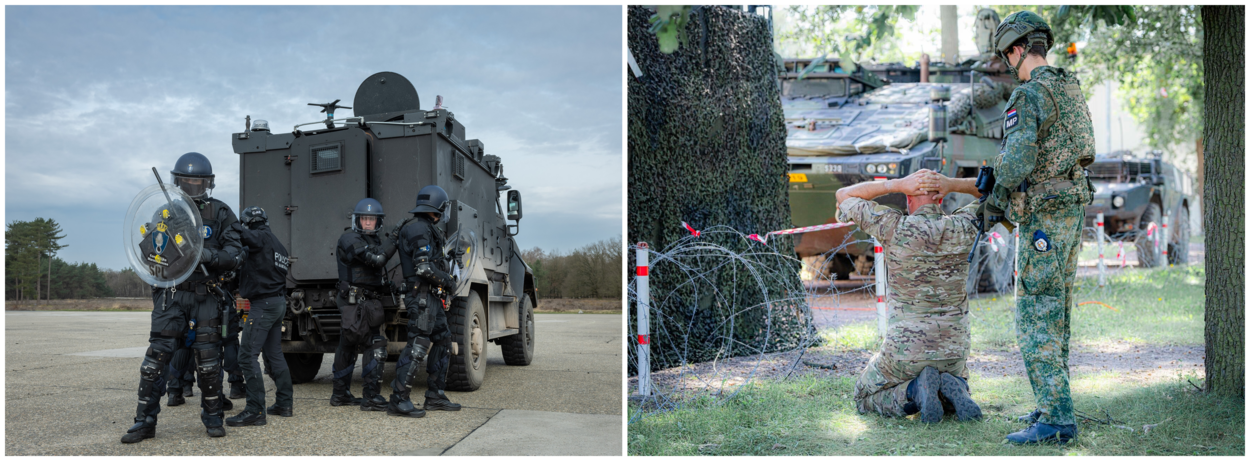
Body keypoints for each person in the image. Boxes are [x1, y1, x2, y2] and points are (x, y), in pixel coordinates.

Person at [983, 10, 1096, 444]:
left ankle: (1056, 420)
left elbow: (1016, 161)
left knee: (1035, 314)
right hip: (1071, 209)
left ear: (1016, 49)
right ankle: (1054, 403)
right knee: (1057, 310)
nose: (1006, 63)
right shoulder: (1069, 86)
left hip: (1044, 216)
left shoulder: (1028, 96)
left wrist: (993, 203)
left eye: (1005, 54)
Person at [834, 170, 983, 424]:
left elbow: (843, 194)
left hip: (905, 352)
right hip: (954, 349)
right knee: (948, 378)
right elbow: (999, 192)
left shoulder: (894, 226)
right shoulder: (963, 225)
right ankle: (955, 384)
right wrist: (952, 183)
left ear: (907, 201)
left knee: (863, 396)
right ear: (941, 199)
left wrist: (897, 183)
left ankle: (913, 391)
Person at [123, 152, 243, 443]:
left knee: (209, 362)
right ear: (177, 181)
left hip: (206, 296)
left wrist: (208, 255)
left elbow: (237, 255)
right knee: (155, 361)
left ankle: (213, 417)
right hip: (172, 295)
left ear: (208, 183)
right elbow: (150, 251)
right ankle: (144, 422)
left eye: (198, 180)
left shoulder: (221, 212)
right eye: (187, 180)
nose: (192, 185)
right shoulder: (165, 212)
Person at [388, 185, 461, 418]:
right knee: (418, 345)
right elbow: (423, 267)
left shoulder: (427, 227)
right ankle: (398, 399)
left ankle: (435, 395)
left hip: (430, 296)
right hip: (421, 296)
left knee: (443, 340)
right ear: (437, 208)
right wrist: (448, 280)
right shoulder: (418, 228)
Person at [226, 206, 294, 426]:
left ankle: (255, 410)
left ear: (249, 224)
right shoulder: (279, 246)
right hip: (278, 303)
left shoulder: (260, 237)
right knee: (274, 354)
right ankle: (284, 403)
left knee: (247, 356)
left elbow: (245, 235)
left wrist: (228, 222)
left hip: (263, 305)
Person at [330, 198, 397, 411]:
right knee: (371, 344)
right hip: (353, 302)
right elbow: (376, 260)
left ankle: (341, 395)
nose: (368, 223)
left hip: (369, 301)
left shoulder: (376, 241)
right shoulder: (349, 238)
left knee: (348, 345)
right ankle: (369, 397)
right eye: (364, 219)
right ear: (357, 220)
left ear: (378, 222)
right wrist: (394, 239)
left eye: (372, 219)